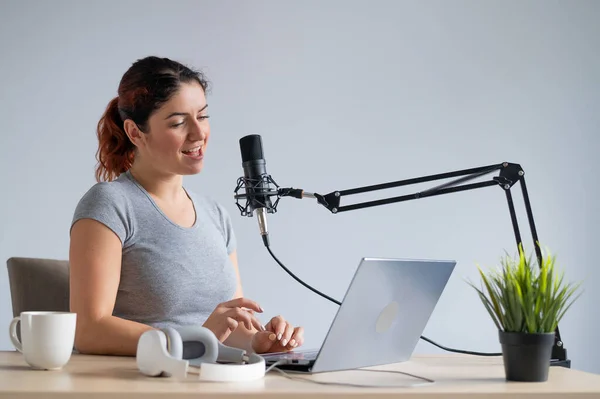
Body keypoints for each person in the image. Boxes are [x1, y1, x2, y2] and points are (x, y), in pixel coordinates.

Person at [69, 56, 304, 357]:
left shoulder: (215, 215)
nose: (198, 133)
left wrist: (258, 342)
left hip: (210, 379)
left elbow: (232, 326)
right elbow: (90, 329)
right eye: (179, 122)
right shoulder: (110, 204)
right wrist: (192, 340)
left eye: (203, 116)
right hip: (144, 382)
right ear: (135, 132)